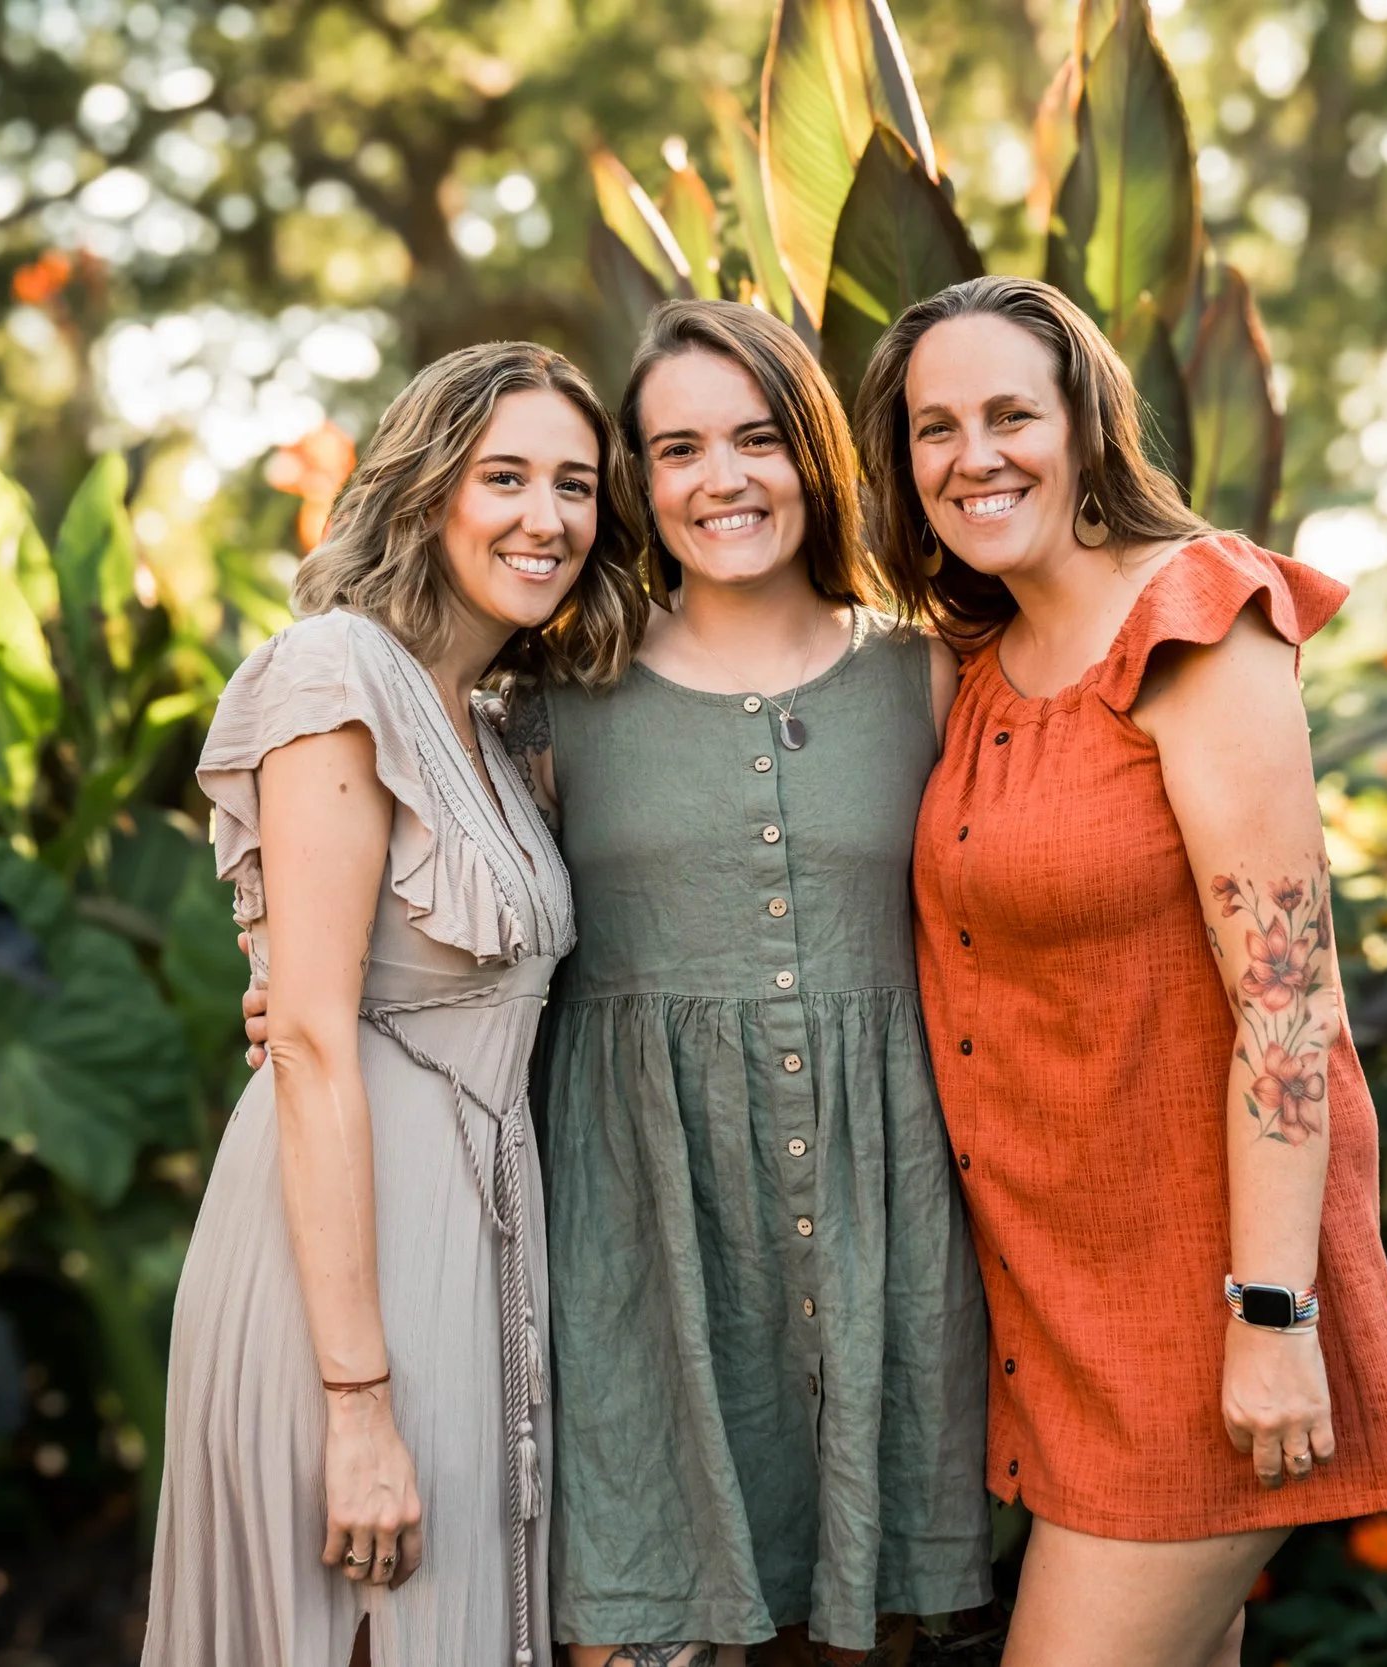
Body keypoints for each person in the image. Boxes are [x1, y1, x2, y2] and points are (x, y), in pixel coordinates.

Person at [248, 300, 991, 1667]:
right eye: (678, 449)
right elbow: (446, 911)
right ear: (643, 484)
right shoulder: (552, 699)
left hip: (885, 1265)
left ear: (814, 454)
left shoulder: (929, 674)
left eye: (759, 439)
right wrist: (306, 993)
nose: (723, 479)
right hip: (636, 1267)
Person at [852, 275, 1387, 1667]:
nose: (974, 457)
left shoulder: (1196, 619)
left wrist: (1273, 1314)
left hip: (1209, 1314)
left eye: (1010, 415)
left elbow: (1288, 999)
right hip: (1063, 1320)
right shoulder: (977, 663)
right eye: (936, 428)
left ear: (1085, 424)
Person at [146, 340, 648, 1667]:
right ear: (428, 491)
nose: (547, 517)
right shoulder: (336, 673)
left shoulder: (492, 722)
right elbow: (312, 1040)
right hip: (343, 1276)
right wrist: (356, 1403)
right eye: (505, 477)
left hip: (478, 1241)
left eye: (575, 485)